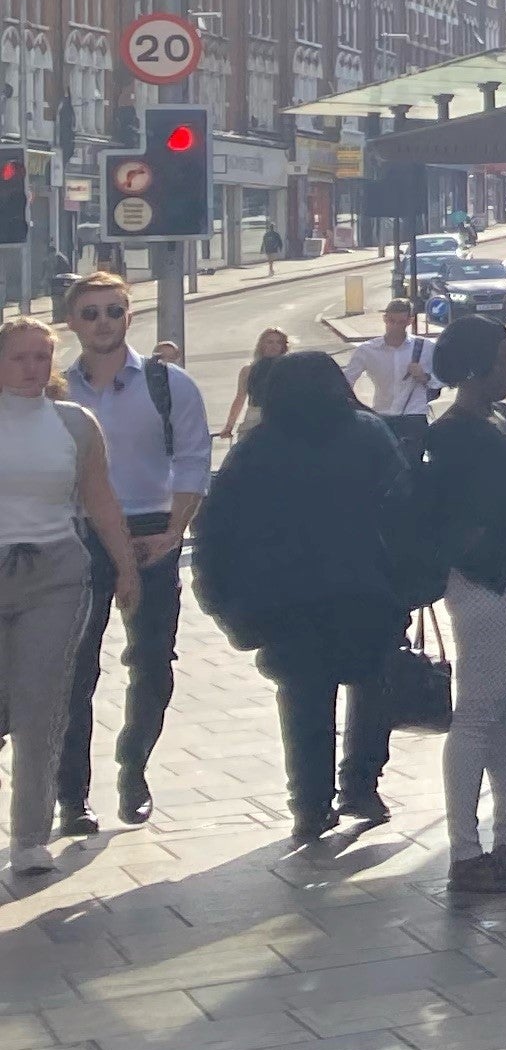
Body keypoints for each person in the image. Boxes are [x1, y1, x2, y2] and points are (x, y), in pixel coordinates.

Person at [186, 349, 411, 850]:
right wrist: (409, 582)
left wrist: (221, 599)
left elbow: (216, 530)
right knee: (372, 687)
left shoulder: (256, 449)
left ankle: (309, 804)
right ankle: (362, 785)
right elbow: (403, 510)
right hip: (365, 589)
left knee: (304, 699)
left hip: (286, 599)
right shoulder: (368, 434)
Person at [55, 267, 209, 835]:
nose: (103, 323)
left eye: (113, 311)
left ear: (129, 315)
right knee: (75, 668)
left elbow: (194, 457)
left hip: (152, 528)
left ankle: (132, 769)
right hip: (77, 531)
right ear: (72, 322)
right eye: (90, 313)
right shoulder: (54, 388)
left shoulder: (169, 384)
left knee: (151, 662)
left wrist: (174, 531)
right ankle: (72, 796)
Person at [415, 315, 506, 897]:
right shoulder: (452, 432)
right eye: (504, 359)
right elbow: (504, 493)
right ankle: (465, 849)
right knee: (478, 709)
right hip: (488, 577)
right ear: (474, 367)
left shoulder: (504, 417)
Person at [1, 318, 136, 877]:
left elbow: (101, 501)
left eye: (42, 357)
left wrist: (126, 567)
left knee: (41, 703)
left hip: (55, 572)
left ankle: (30, 835)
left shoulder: (75, 424)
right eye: (20, 358)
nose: (33, 368)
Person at [324, 292, 438, 454]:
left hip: (414, 415)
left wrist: (423, 376)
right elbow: (345, 383)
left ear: (410, 321)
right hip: (382, 414)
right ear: (385, 319)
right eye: (392, 321)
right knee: (385, 465)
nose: (396, 326)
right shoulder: (367, 350)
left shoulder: (426, 347)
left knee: (413, 464)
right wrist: (360, 410)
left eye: (402, 322)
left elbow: (441, 380)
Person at [221, 326, 293, 442]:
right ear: (261, 345)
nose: (274, 346)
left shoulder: (291, 369)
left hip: (281, 419)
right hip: (254, 418)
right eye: (269, 342)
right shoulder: (248, 371)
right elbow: (240, 398)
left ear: (283, 346)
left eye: (278, 342)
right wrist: (229, 426)